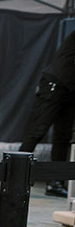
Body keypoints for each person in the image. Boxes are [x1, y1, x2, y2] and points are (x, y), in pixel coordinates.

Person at [19, 28, 75, 197]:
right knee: (38, 130)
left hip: (71, 90)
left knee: (63, 137)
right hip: (55, 84)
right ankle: (16, 175)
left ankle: (55, 181)